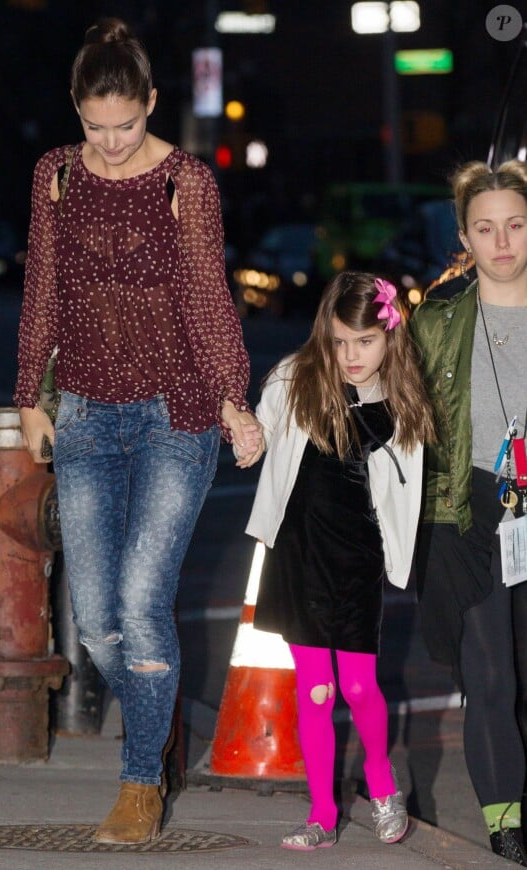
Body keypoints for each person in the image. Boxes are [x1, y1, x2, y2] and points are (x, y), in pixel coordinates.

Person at [13, 17, 263, 846]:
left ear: (152, 104)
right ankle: (159, 720)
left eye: (127, 125)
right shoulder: (54, 176)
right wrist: (28, 395)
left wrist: (234, 396)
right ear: (77, 112)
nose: (111, 145)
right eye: (96, 127)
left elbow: (205, 295)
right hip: (84, 412)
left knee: (143, 605)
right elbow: (42, 291)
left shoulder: (183, 182)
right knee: (97, 625)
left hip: (174, 414)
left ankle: (138, 783)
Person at [245, 270, 435, 850]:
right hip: (296, 555)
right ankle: (322, 814)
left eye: (365, 342)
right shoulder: (294, 379)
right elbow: (259, 430)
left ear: (389, 336)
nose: (351, 356)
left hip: (354, 560)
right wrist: (243, 432)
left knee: (356, 686)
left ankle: (381, 786)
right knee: (316, 689)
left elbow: (406, 491)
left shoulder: (400, 402)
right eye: (338, 342)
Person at [410, 159, 527, 865]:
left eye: (515, 225)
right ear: (465, 236)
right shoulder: (440, 316)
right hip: (470, 506)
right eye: (486, 229)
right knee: (490, 673)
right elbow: (397, 406)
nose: (503, 241)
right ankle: (506, 817)